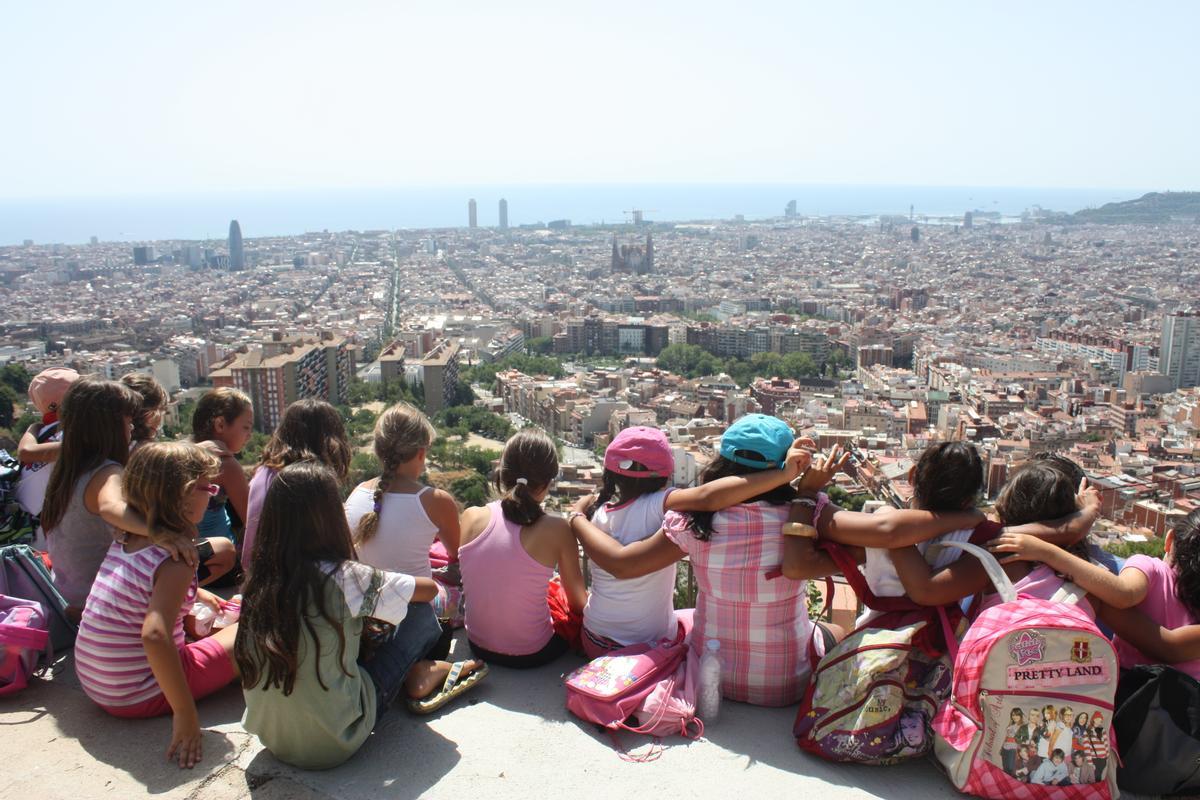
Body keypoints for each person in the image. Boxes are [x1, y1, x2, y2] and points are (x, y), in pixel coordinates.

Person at [236, 462, 487, 770]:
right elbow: (428, 591)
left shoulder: (258, 580)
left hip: (272, 736)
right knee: (421, 615)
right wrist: (379, 580)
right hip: (335, 741)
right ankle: (419, 672)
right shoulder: (345, 577)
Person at [570, 415, 835, 706]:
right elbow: (710, 498)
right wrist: (800, 485)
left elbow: (626, 563)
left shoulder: (684, 521)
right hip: (782, 687)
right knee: (834, 631)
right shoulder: (805, 512)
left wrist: (576, 518)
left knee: (687, 619)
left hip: (677, 665)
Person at [73, 442, 239, 769]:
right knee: (252, 632)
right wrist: (185, 713)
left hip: (98, 684)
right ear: (187, 493)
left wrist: (197, 595)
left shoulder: (126, 536)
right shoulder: (175, 561)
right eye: (210, 489)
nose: (213, 496)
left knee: (197, 619)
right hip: (140, 692)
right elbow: (154, 635)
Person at [991, 508, 1200, 678]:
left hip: (1133, 700)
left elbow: (1125, 593)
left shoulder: (1151, 568)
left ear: (1169, 539)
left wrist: (1046, 552)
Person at [880, 460, 1101, 613]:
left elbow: (926, 590)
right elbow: (1127, 595)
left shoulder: (996, 554)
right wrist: (1087, 515)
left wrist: (893, 529)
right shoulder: (1095, 577)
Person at [458, 429, 587, 668]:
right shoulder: (556, 529)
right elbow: (579, 604)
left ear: (502, 473)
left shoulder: (471, 516)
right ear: (548, 482)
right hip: (534, 652)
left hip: (478, 645)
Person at [345, 402, 459, 659]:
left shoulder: (355, 495)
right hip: (417, 624)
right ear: (421, 452)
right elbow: (457, 556)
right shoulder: (436, 501)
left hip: (367, 624)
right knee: (455, 590)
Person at [242, 399, 351, 573]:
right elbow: (339, 551)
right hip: (295, 582)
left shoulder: (263, 471)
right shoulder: (310, 481)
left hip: (257, 577)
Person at [15, 367, 80, 544]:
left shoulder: (41, 434)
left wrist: (33, 427)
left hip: (31, 531)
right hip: (49, 538)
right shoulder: (71, 435)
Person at [191, 388, 253, 551]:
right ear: (220, 425)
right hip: (219, 560)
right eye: (246, 427)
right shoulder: (225, 464)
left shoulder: (184, 452)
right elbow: (252, 520)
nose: (250, 435)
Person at [119, 372, 169, 451]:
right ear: (151, 413)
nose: (161, 416)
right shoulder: (151, 453)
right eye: (161, 410)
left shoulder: (108, 448)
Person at [1002, 707, 1024, 775]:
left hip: (1013, 749)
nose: (1014, 717)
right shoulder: (1010, 725)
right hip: (1005, 748)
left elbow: (1022, 740)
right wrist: (1001, 747)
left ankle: (1011, 783)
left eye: (1017, 715)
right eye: (1013, 715)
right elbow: (1007, 737)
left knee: (1011, 768)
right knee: (1005, 768)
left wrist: (1019, 751)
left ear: (1020, 716)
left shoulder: (1023, 726)